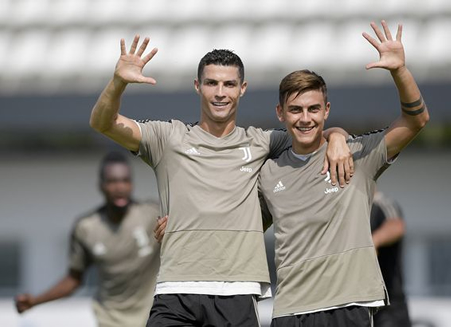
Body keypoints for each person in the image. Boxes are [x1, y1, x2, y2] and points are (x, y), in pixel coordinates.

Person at [89, 34, 352, 326]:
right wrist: (118, 83)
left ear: (242, 89)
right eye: (212, 83)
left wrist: (337, 136)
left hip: (237, 293)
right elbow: (103, 123)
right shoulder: (167, 138)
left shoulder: (263, 142)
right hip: (176, 291)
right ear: (197, 86)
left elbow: (308, 132)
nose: (220, 92)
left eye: (229, 84)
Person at [257, 20, 429, 327]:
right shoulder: (268, 172)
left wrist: (399, 71)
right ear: (280, 113)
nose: (305, 118)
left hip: (347, 306)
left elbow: (416, 121)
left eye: (313, 109)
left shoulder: (357, 155)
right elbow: (243, 225)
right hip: (288, 311)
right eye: (296, 110)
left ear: (326, 110)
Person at [15, 152, 161, 327]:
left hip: (152, 317)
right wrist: (36, 301)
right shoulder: (86, 228)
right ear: (101, 186)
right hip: (110, 319)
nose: (120, 187)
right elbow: (73, 280)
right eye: (112, 181)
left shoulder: (152, 214)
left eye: (125, 180)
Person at [370, 190, 411, 327]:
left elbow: (396, 226)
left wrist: (374, 241)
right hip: (358, 306)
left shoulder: (382, 203)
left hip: (388, 307)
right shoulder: (346, 206)